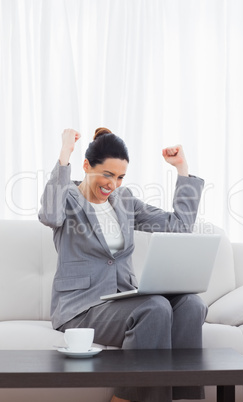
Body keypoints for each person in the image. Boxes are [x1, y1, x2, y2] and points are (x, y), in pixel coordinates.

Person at [39, 127, 207, 402]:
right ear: (86, 166)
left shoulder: (124, 201)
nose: (112, 184)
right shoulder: (67, 199)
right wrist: (65, 154)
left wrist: (182, 169)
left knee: (191, 305)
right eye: (107, 174)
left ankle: (185, 397)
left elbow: (179, 226)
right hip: (81, 306)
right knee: (154, 308)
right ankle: (127, 398)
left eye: (119, 177)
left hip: (124, 299)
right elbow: (49, 214)